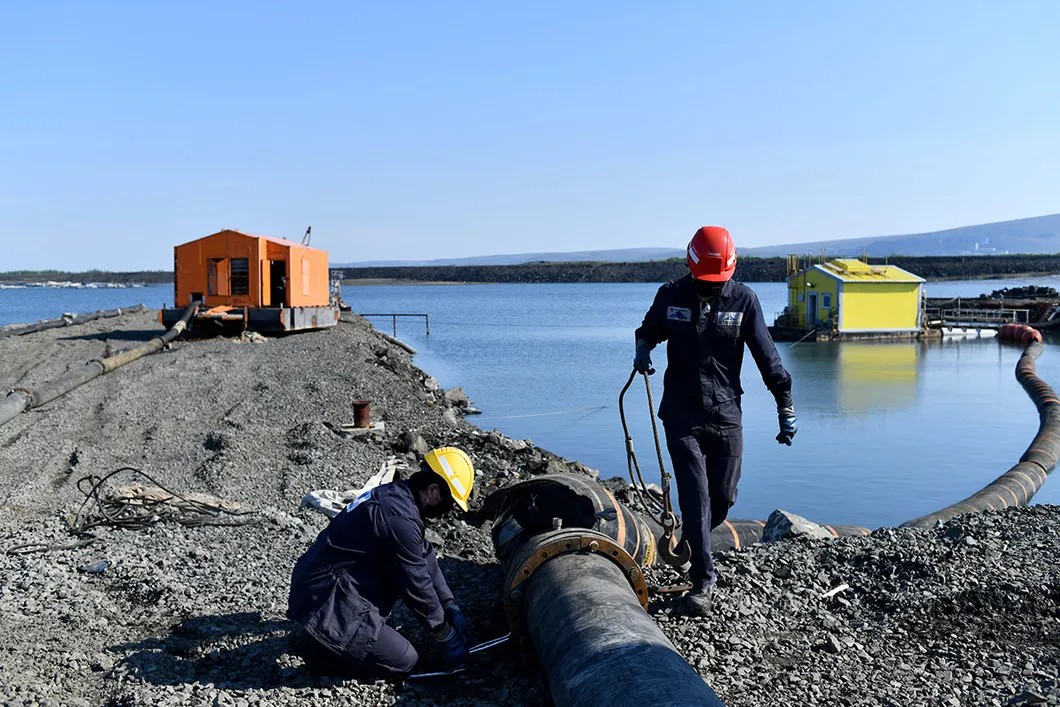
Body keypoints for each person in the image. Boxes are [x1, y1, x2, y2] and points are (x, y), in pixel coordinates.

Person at [633, 226, 797, 616]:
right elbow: (648, 331)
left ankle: (695, 536)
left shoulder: (744, 300)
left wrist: (784, 404)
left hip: (726, 413)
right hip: (681, 413)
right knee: (695, 493)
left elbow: (767, 357)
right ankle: (703, 581)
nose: (709, 287)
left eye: (716, 281)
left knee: (723, 497)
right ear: (690, 266)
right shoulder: (670, 295)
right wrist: (642, 351)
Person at [286, 447, 477, 678]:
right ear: (433, 490)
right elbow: (416, 584)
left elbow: (424, 556)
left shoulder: (400, 497)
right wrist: (445, 634)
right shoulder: (398, 518)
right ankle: (314, 645)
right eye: (450, 503)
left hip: (325, 583)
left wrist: (450, 606)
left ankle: (321, 634)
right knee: (403, 660)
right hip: (324, 597)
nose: (449, 511)